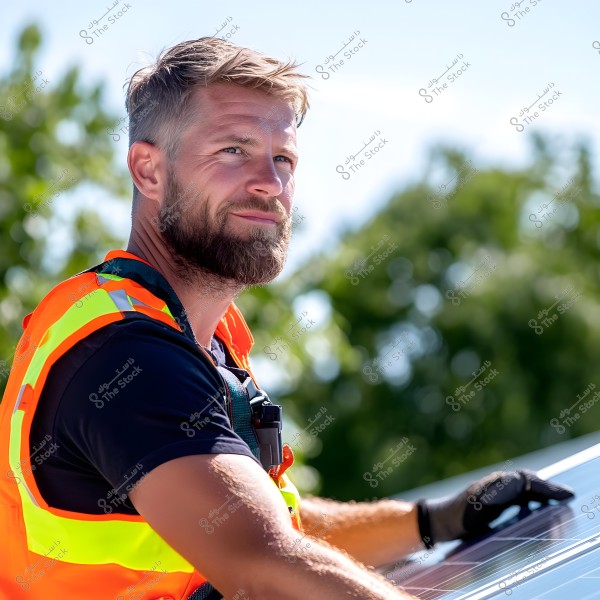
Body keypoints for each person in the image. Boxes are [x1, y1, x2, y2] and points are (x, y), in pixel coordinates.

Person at [0, 37, 573, 599]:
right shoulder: (125, 354)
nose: (269, 184)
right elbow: (267, 565)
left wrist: (435, 520)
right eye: (233, 151)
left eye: (283, 159)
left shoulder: (200, 341)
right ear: (148, 171)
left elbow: (265, 524)